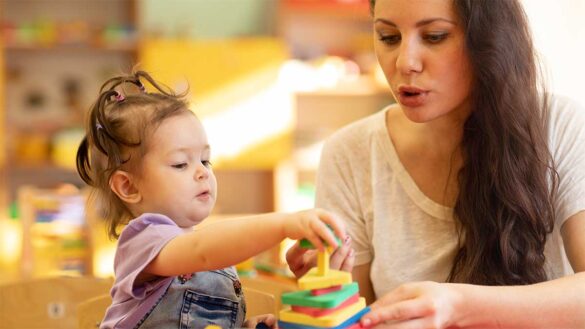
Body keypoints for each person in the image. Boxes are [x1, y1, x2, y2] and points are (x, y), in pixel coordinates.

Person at [286, 0, 585, 328]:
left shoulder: (560, 126)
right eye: (388, 37)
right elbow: (362, 318)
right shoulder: (349, 154)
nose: (405, 62)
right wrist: (329, 292)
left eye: (434, 36)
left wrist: (458, 306)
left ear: (488, 39)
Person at [75, 71, 347, 329]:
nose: (202, 172)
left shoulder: (207, 253)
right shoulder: (144, 241)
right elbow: (201, 251)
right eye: (181, 164)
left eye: (205, 160)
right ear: (128, 186)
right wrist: (284, 224)